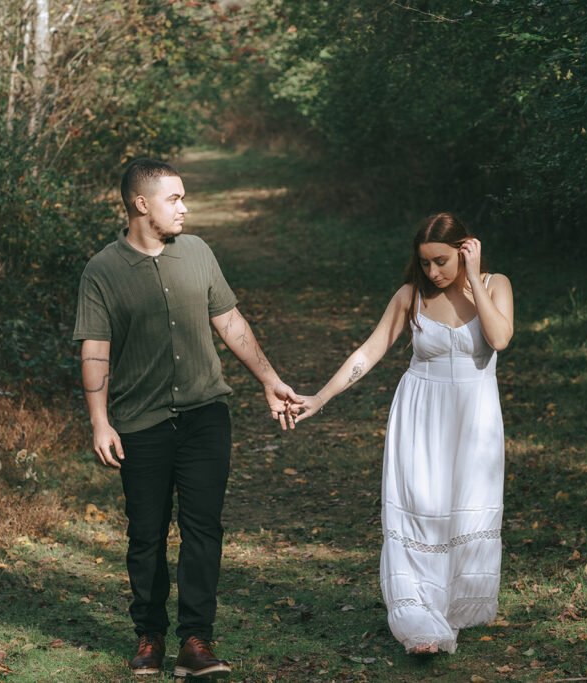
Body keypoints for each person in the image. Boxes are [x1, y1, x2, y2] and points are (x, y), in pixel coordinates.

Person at [73, 158, 300, 677]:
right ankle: (149, 636)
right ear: (140, 204)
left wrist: (268, 378)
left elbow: (230, 321)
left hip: (205, 414)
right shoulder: (102, 270)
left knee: (203, 529)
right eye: (174, 198)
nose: (185, 207)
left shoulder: (197, 252)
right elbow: (94, 350)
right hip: (140, 422)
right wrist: (100, 421)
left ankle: (196, 640)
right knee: (146, 533)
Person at [292, 212, 513, 654]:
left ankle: (452, 606)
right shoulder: (410, 296)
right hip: (420, 414)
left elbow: (500, 338)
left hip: (475, 417)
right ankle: (419, 619)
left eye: (441, 261)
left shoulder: (494, 284)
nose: (432, 272)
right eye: (425, 263)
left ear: (466, 248)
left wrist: (472, 275)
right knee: (419, 510)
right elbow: (370, 350)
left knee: (465, 509)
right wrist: (320, 397)